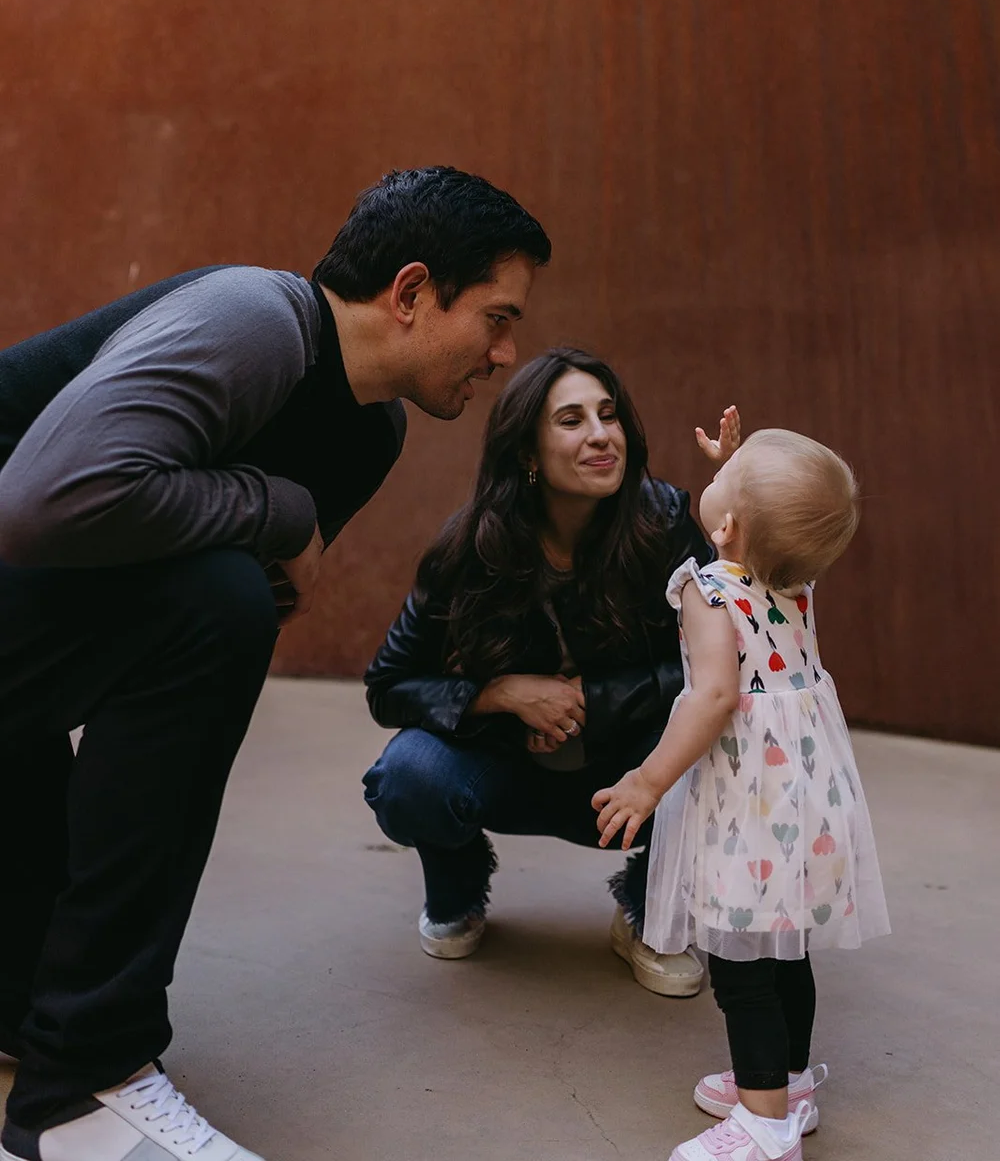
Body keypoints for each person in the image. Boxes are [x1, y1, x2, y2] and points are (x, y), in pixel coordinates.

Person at [0, 167, 550, 1161]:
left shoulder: (367, 429)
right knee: (213, 602)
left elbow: (206, 600)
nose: (507, 356)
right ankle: (78, 1089)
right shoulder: (257, 318)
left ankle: (32, 1010)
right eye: (496, 318)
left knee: (212, 603)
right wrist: (277, 508)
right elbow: (44, 504)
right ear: (413, 291)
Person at [363, 345, 740, 995]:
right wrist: (501, 694)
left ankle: (650, 913)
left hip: (632, 774)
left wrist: (591, 698)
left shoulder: (664, 523)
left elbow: (718, 670)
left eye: (609, 414)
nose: (601, 435)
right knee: (408, 777)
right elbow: (389, 687)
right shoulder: (468, 550)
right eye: (572, 420)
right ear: (528, 455)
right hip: (507, 765)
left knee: (728, 744)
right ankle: (458, 888)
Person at [593, 429, 890, 1161]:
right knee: (786, 945)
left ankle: (764, 1126)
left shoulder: (707, 589)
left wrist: (648, 779)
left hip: (748, 802)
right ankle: (789, 1085)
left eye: (727, 475)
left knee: (741, 963)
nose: (717, 475)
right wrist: (736, 479)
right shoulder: (793, 577)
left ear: (728, 527)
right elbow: (774, 524)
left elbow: (714, 694)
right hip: (805, 797)